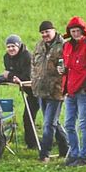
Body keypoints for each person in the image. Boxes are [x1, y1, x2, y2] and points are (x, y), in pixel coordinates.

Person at [60, 16, 86, 167]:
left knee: (83, 124)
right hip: (70, 91)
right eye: (73, 31)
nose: (75, 34)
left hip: (84, 92)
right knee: (69, 124)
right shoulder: (66, 46)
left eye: (78, 31)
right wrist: (62, 72)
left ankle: (83, 156)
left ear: (83, 31)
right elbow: (67, 66)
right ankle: (74, 153)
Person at [0, 35, 38, 149]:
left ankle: (63, 144)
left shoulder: (27, 56)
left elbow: (26, 76)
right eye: (8, 47)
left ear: (19, 46)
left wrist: (11, 76)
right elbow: (9, 75)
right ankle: (32, 145)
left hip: (39, 91)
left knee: (51, 121)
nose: (11, 49)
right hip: (29, 93)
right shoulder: (6, 57)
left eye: (13, 46)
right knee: (27, 118)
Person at [31, 20, 67, 164]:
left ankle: (44, 154)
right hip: (41, 89)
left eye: (47, 32)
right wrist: (34, 80)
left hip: (56, 90)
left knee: (48, 124)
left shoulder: (63, 45)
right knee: (53, 122)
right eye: (42, 33)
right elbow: (33, 64)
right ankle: (66, 148)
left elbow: (66, 67)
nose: (45, 35)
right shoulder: (39, 45)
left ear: (54, 30)